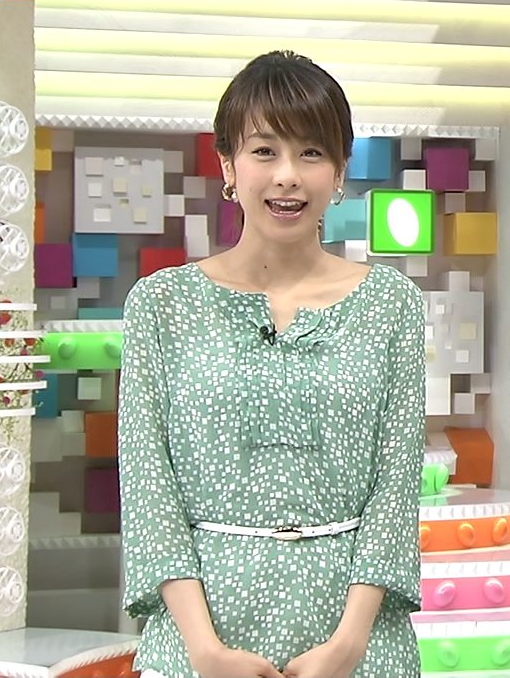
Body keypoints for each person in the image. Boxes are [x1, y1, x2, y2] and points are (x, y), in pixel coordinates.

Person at [118, 51, 426, 678]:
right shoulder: (161, 304)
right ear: (228, 166)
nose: (288, 176)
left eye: (311, 153)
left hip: (358, 645)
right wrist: (205, 651)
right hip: (199, 645)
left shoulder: (391, 304)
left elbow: (396, 486)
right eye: (264, 151)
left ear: (339, 171)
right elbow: (149, 488)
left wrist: (348, 646)